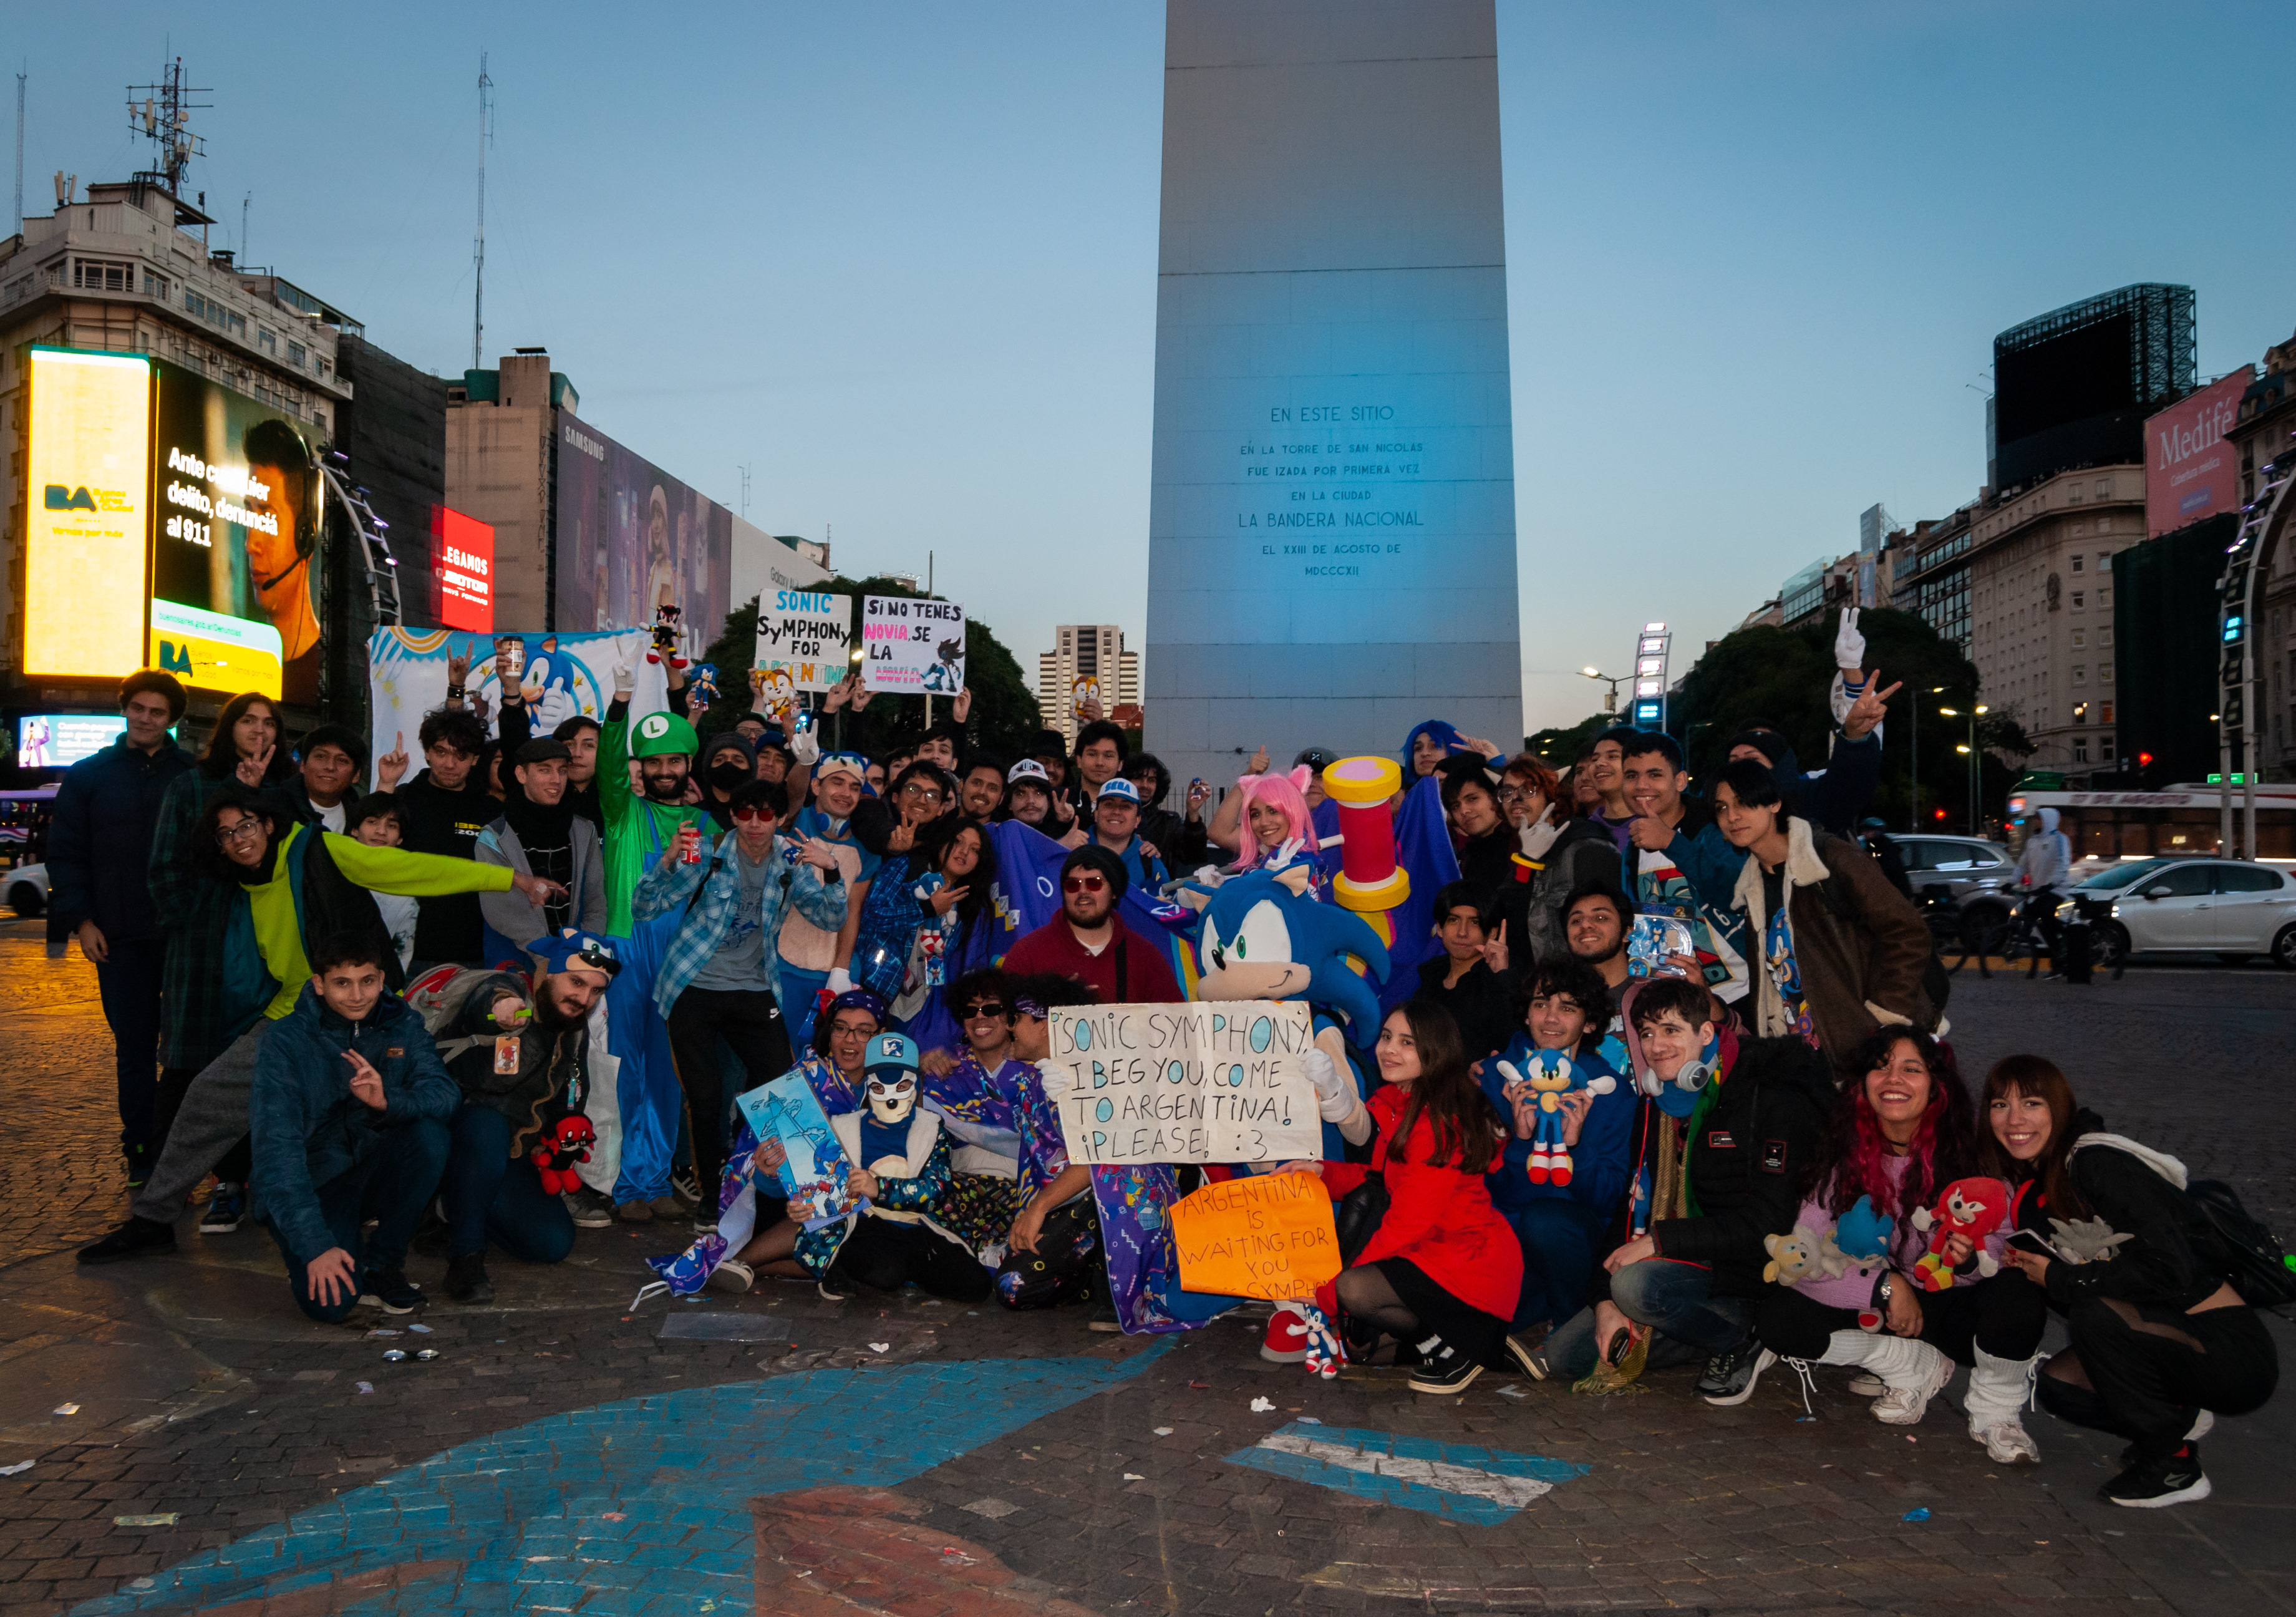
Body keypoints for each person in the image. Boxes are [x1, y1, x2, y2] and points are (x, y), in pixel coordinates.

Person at [77, 788, 555, 1265]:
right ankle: (153, 1219)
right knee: (208, 1096)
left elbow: (412, 870)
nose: (238, 839)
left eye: (245, 825)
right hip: (294, 1015)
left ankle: (430, 1223)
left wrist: (510, 879)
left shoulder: (319, 849)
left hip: (365, 1011)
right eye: (226, 834)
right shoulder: (243, 884)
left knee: (404, 1119)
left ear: (267, 823)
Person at [1725, 1031, 2046, 1464]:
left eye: (1911, 1069)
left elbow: (2003, 1243)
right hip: (1887, 1309)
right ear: (1862, 1082)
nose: (1893, 1078)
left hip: (1954, 1303)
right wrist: (1883, 1286)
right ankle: (1906, 1366)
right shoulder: (1840, 1152)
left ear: (1936, 1085)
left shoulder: (1972, 1154)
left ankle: (1997, 1411)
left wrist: (1967, 1259)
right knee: (1780, 1320)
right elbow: (1802, 1252)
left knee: (2018, 1294)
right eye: (1881, 1066)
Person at [1981, 1056, 2279, 1508]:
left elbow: (2168, 1267)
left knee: (2092, 1313)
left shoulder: (2097, 1163)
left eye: (2032, 1103)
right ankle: (2175, 1416)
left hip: (2227, 1350)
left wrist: (2061, 1276)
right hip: (2162, 1343)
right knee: (2061, 1388)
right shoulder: (2037, 1187)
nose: (2014, 1119)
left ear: (2059, 1109)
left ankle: (2173, 1464)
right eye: (2000, 1104)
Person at [1534, 976, 1834, 1396]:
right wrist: (1604, 1302)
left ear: (1706, 1032)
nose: (1656, 1047)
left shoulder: (1766, 1095)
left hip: (1745, 1274)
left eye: (1671, 1030)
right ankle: (1689, 1331)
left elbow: (1768, 1221)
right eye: (1646, 1033)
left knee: (1635, 1287)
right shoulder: (1657, 1104)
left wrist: (1658, 1241)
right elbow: (1629, 1206)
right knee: (1568, 1357)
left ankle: (1737, 1340)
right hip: (1676, 1270)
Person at [631, 781, 847, 1210]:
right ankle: (711, 1203)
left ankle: (815, 1201)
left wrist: (833, 869)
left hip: (754, 989)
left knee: (784, 1089)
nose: (754, 824)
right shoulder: (706, 851)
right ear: (732, 815)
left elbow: (829, 917)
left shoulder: (791, 858)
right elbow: (644, 907)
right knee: (706, 1098)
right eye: (745, 813)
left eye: (766, 815)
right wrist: (670, 860)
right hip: (692, 986)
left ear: (781, 818)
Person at [1314, 999, 1521, 1394]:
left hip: (1468, 1261)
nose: (1390, 1049)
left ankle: (1463, 1348)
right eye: (1388, 1037)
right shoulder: (1397, 1104)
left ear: (1435, 1052)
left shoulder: (1435, 1122)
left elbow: (1408, 1221)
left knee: (1352, 1290)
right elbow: (1380, 1177)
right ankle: (1473, 1346)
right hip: (1434, 1252)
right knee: (1362, 1352)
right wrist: (1321, 1173)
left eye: (1407, 1043)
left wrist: (1331, 1288)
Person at [248, 934, 458, 1321]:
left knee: (430, 1137)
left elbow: (445, 1095)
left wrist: (387, 1102)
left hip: (373, 1163)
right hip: (317, 1178)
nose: (358, 995)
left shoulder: (403, 1023)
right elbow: (276, 1153)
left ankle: (382, 1264)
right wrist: (315, 1246)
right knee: (331, 1306)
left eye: (368, 981)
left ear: (381, 979)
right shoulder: (283, 1042)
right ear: (319, 984)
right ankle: (321, 1238)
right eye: (342, 983)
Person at [47, 669, 192, 1186]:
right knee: (133, 1051)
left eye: (157, 712)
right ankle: (141, 1154)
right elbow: (65, 856)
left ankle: (186, 1155)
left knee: (185, 1054)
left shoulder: (192, 774)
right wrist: (83, 922)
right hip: (118, 939)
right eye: (138, 708)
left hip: (182, 939)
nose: (146, 719)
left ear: (172, 719)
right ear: (125, 708)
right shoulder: (89, 776)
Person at [1712, 757, 1936, 1073]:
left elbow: (1908, 932)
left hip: (1861, 1051)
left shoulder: (1828, 858)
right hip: (1796, 1058)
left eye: (1743, 803)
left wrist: (1884, 1020)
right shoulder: (1752, 886)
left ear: (1774, 803)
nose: (1732, 817)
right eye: (1721, 808)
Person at [149, 691, 295, 1175]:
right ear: (229, 727)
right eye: (248, 720)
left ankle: (235, 1180)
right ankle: (163, 1179)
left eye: (269, 722)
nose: (259, 730)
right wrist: (191, 919)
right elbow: (164, 868)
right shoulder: (191, 787)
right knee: (187, 1065)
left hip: (265, 946)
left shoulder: (284, 791)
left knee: (251, 1066)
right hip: (202, 946)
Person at [435, 931, 622, 1303]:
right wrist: (503, 1009)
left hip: (514, 1154)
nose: (584, 998)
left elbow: (568, 1099)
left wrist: (564, 1139)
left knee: (551, 1244)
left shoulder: (574, 1029)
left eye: (597, 991)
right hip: (456, 1135)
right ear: (549, 972)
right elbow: (490, 1002)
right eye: (577, 982)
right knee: (487, 1125)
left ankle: (453, 1206)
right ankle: (466, 1256)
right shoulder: (511, 989)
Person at [1480, 958, 1633, 1336]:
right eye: (1540, 1004)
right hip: (1508, 1234)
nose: (1551, 1018)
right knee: (1483, 1322)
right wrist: (1522, 1138)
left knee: (1545, 1219)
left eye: (1568, 1008)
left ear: (1591, 1022)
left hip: (1573, 1239)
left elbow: (1608, 1201)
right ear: (1526, 1015)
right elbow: (1495, 1192)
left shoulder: (1612, 1092)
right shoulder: (1498, 1079)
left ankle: (1570, 1326)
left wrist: (1574, 1147)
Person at [787, 1032, 991, 1301]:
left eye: (901, 1085)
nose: (891, 1097)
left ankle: (905, 1270)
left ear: (916, 1084)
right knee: (886, 1272)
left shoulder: (930, 1128)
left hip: (917, 1230)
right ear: (868, 1087)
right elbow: (818, 1188)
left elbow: (936, 1189)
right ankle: (846, 1264)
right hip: (859, 1227)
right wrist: (802, 1205)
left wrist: (879, 1188)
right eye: (881, 1088)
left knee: (976, 1286)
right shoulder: (842, 1127)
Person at [1618, 732, 1750, 1001]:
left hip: (1747, 991)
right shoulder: (1632, 850)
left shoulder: (1717, 827)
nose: (1641, 785)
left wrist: (1671, 842)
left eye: (1654, 775)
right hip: (1684, 1002)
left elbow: (1737, 894)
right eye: (1631, 776)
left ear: (1680, 781)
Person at [476, 737, 609, 958]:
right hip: (516, 961)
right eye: (544, 770)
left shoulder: (585, 831)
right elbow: (502, 911)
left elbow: (595, 901)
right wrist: (547, 959)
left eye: (563, 771)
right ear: (521, 774)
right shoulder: (494, 837)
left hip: (575, 959)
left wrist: (581, 950)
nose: (556, 780)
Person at [1000, 845, 1183, 1004]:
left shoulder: (1145, 955)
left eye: (1094, 883)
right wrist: (1046, 1005)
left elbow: (1176, 1023)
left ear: (1114, 891)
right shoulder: (1027, 953)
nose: (1083, 892)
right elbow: (1004, 1020)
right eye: (1073, 885)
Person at [778, 754, 875, 1045]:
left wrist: (841, 969)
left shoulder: (865, 844)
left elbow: (853, 908)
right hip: (783, 964)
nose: (846, 793)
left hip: (832, 972)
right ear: (817, 786)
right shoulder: (795, 819)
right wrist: (806, 758)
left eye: (854, 787)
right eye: (837, 783)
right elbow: (793, 792)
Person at [394, 705, 496, 969]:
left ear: (475, 759)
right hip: (403, 953)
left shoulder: (491, 811)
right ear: (427, 752)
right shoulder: (402, 800)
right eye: (441, 752)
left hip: (471, 955)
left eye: (461, 755)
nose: (450, 764)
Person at [1496, 754, 1614, 963]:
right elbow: (1509, 919)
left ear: (1553, 795)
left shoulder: (1586, 847)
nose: (1516, 799)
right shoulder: (1529, 849)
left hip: (1579, 983)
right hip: (1539, 983)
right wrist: (1526, 860)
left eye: (1528, 789)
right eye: (1507, 792)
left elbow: (1603, 931)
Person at [1414, 881, 1514, 1064]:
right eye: (1454, 920)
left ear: (1492, 933)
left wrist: (1500, 978)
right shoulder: (1426, 977)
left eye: (1474, 922)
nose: (1462, 932)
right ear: (1440, 929)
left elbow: (1510, 1043)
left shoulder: (1503, 983)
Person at [349, 795, 419, 968]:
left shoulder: (405, 895)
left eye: (391, 826)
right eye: (372, 822)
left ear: (401, 838)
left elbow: (402, 955)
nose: (381, 831)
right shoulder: (328, 874)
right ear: (355, 829)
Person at [283, 724, 374, 832]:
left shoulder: (359, 821)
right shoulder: (273, 806)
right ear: (303, 765)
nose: (330, 767)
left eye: (342, 760)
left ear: (356, 775)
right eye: (321, 756)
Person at [1087, 778, 1167, 893]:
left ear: (1137, 820)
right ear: (1096, 814)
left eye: (1126, 807)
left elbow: (1168, 907)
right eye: (1109, 804)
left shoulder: (1149, 860)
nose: (1116, 811)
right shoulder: (1072, 848)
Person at [2012, 807, 2071, 961]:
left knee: (2044, 915)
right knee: (2035, 917)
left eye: (2038, 819)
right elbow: (2022, 866)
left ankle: (2065, 943)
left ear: (2046, 821)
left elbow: (2062, 864)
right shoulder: (2032, 842)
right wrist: (2010, 882)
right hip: (2038, 891)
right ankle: (2058, 954)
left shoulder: (2060, 839)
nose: (2035, 822)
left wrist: (2052, 884)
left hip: (2056, 890)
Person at [1000, 759, 1080, 844]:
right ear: (1010, 804)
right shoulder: (998, 837)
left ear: (1049, 802)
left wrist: (1068, 819)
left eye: (1038, 793)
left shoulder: (1069, 836)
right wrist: (1059, 847)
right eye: (1021, 794)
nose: (1030, 801)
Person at [695, 731, 761, 833]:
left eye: (738, 761)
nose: (728, 765)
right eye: (720, 759)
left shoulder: (763, 816)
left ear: (751, 769)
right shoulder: (692, 815)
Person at [1402, 721, 1504, 782]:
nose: (1424, 753)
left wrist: (1496, 762)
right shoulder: (1404, 799)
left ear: (1453, 751)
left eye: (1435, 746)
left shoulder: (1472, 786)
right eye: (1418, 748)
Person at [957, 753, 1006, 821]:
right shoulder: (939, 828)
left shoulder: (1006, 831)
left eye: (992, 788)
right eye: (977, 783)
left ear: (1001, 798)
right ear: (961, 785)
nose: (982, 792)